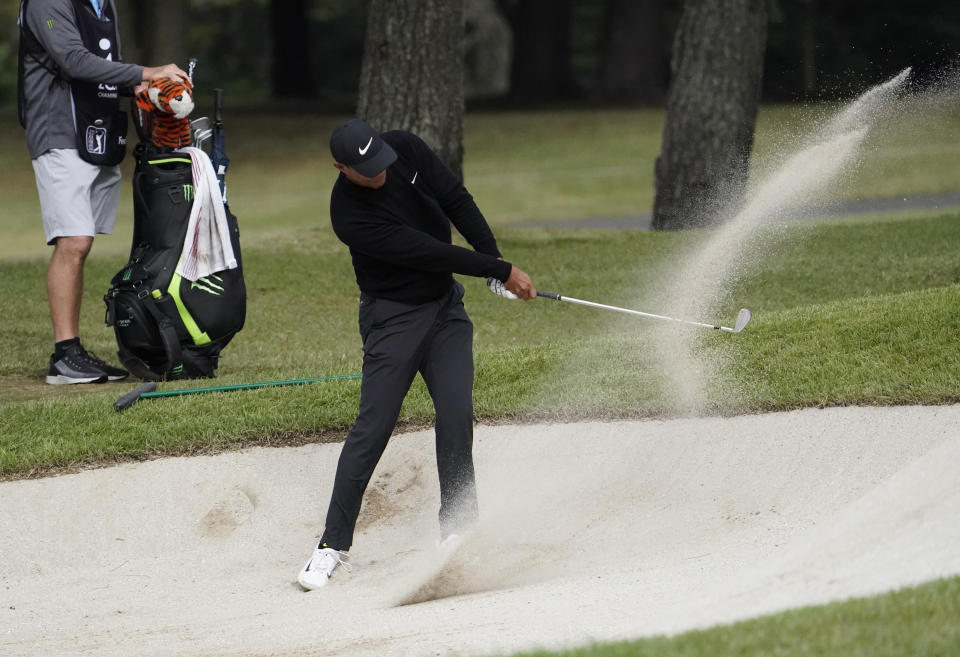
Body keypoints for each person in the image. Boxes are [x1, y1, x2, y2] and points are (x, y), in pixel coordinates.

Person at [297, 118, 536, 590]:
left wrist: (491, 260)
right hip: (393, 319)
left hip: (445, 312)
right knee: (374, 426)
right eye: (366, 169)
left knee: (455, 412)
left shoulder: (403, 147)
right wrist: (499, 268)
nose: (379, 172)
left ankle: (458, 531)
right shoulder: (349, 215)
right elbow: (427, 251)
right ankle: (332, 546)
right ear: (341, 168)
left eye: (380, 161)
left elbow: (455, 199)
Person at [18, 0, 188, 384]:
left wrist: (151, 93)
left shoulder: (102, 3)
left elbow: (106, 71)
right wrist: (149, 72)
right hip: (58, 133)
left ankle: (72, 352)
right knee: (73, 242)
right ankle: (64, 357)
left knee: (80, 243)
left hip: (97, 132)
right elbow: (74, 61)